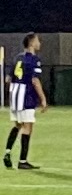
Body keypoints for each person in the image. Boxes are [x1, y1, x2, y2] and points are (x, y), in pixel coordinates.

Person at [5, 33, 47, 170]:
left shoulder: (17, 57)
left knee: (18, 125)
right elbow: (35, 80)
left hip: (15, 94)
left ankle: (7, 153)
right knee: (28, 127)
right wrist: (43, 98)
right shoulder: (34, 59)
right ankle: (22, 161)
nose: (39, 43)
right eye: (37, 40)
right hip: (26, 95)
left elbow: (8, 79)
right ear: (31, 43)